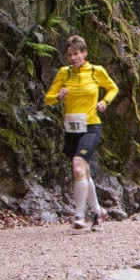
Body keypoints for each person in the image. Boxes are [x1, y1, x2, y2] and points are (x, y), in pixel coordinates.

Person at [44, 35, 119, 231]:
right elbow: (48, 99)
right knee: (83, 172)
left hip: (92, 126)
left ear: (84, 53)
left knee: (78, 167)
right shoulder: (64, 73)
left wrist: (104, 102)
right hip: (71, 129)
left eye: (76, 54)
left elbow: (112, 88)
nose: (73, 58)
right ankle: (97, 212)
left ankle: (79, 214)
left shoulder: (96, 71)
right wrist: (58, 96)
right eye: (69, 55)